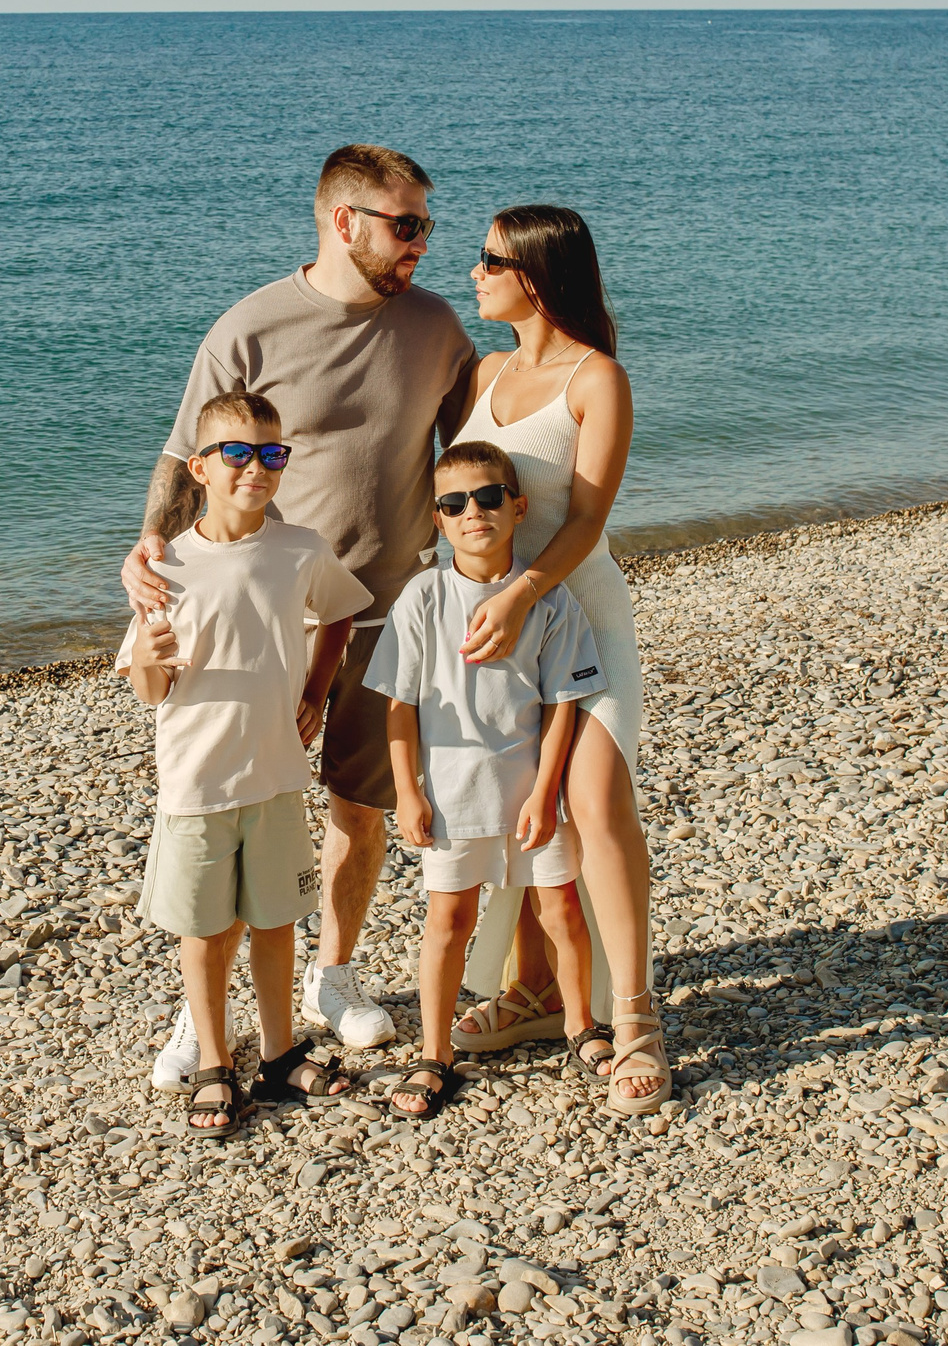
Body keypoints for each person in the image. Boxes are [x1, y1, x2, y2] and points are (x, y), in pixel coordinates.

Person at [123, 145, 478, 1083]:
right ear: (343, 220)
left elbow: (472, 459)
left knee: (358, 810)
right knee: (230, 815)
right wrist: (150, 552)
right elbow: (184, 458)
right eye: (406, 226)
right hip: (257, 623)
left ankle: (334, 975)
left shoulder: (438, 327)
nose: (421, 244)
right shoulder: (249, 327)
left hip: (385, 614)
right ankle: (201, 1021)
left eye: (427, 226)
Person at [445, 206, 667, 1115]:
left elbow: (585, 522)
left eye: (491, 258)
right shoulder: (483, 370)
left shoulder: (597, 378)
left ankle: (639, 1020)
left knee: (593, 799)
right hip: (501, 628)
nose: (473, 272)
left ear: (536, 273)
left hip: (579, 616)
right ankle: (537, 991)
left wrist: (519, 592)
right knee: (514, 808)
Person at [117, 390, 366, 1135]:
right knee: (205, 927)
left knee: (277, 918)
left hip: (278, 775)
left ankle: (283, 1052)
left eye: (271, 453)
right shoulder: (168, 567)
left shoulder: (300, 549)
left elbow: (341, 609)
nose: (256, 467)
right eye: (237, 453)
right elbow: (147, 686)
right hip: (196, 783)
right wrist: (152, 663)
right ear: (200, 466)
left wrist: (319, 688)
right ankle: (215, 1061)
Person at [369, 440, 606, 1119]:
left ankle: (580, 1026)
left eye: (488, 496)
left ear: (517, 505)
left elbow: (563, 701)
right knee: (449, 918)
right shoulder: (424, 597)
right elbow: (399, 703)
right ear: (438, 521)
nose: (473, 511)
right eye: (453, 503)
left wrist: (545, 789)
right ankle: (435, 1052)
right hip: (451, 789)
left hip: (530, 787)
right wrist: (408, 789)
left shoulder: (549, 600)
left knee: (560, 907)